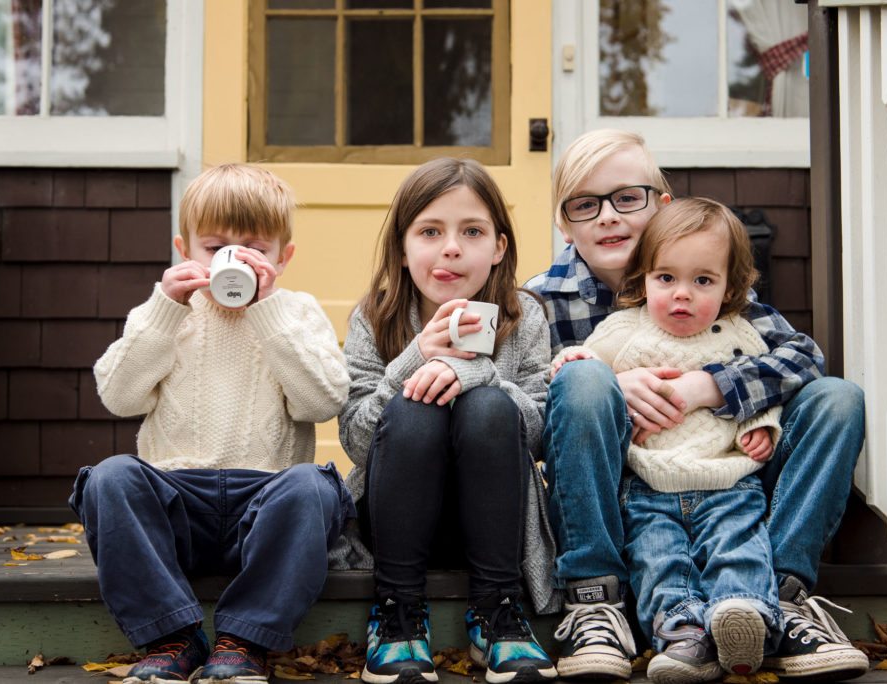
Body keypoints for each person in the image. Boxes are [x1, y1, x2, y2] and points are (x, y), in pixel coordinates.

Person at [524, 129, 869, 681]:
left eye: (627, 198)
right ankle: (596, 601)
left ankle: (780, 597)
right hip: (626, 494)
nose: (608, 217)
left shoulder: (706, 280)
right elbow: (529, 412)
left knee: (838, 398)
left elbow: (802, 357)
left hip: (732, 483)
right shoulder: (539, 301)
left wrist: (706, 387)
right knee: (583, 379)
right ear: (564, 223)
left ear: (662, 207)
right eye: (585, 205)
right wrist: (608, 382)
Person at [69, 163, 354, 684]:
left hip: (265, 502)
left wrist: (269, 313)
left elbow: (322, 401)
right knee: (110, 477)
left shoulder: (297, 312)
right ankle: (172, 636)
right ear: (185, 250)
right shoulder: (163, 314)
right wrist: (163, 310)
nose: (235, 262)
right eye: (216, 248)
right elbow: (118, 395)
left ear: (283, 258)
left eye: (254, 251)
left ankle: (244, 641)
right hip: (176, 506)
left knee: (314, 485)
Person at [338, 158, 558, 684]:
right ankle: (397, 613)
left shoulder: (523, 316)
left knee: (486, 405)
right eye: (430, 231)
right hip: (395, 522)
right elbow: (356, 440)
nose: (451, 248)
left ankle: (497, 611)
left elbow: (537, 434)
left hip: (494, 526)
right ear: (403, 245)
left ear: (499, 247)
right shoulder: (376, 316)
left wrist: (483, 375)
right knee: (415, 406)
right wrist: (413, 362)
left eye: (472, 231)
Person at [555, 197, 785, 682]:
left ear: (729, 289)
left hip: (728, 482)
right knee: (659, 559)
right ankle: (681, 635)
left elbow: (765, 390)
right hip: (647, 486)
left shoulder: (740, 334)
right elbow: (584, 366)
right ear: (643, 281)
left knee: (739, 544)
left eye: (703, 280)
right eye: (667, 279)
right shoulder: (623, 330)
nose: (683, 295)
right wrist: (569, 361)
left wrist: (759, 427)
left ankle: (742, 613)